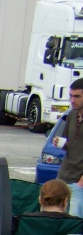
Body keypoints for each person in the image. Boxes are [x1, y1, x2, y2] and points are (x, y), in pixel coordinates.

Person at [53, 77, 83, 217]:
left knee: (75, 224)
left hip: (79, 181)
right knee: (60, 220)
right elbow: (69, 144)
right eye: (71, 96)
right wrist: (60, 142)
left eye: (77, 96)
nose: (72, 100)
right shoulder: (71, 115)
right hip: (63, 176)